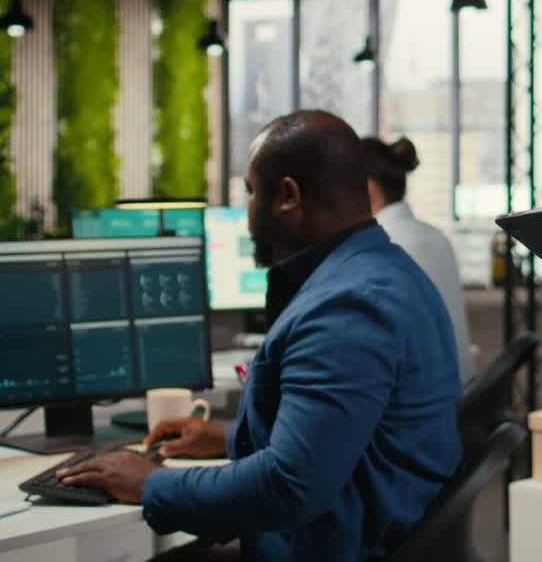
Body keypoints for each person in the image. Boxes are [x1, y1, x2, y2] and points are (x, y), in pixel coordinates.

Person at [58, 110, 464, 562]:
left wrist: (149, 482)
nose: (248, 207)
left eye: (251, 191)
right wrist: (227, 438)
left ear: (287, 196)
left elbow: (289, 486)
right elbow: (344, 436)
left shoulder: (346, 307)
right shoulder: (386, 271)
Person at [361, 135, 476, 384]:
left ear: (367, 189)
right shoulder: (436, 238)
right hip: (461, 397)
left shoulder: (381, 246)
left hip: (424, 405)